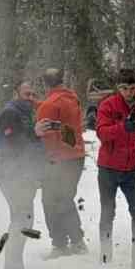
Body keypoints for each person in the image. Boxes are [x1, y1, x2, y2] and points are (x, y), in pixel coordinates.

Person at [94, 68, 135, 269]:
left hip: (131, 170)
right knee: (107, 211)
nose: (128, 92)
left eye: (131, 88)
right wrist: (123, 127)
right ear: (118, 88)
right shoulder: (108, 105)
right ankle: (105, 254)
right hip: (108, 169)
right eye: (123, 88)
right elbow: (102, 134)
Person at [0, 79, 45, 269]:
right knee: (22, 218)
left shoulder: (26, 114)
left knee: (22, 218)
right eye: (27, 94)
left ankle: (14, 263)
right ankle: (13, 265)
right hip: (12, 174)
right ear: (16, 94)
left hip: (25, 174)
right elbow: (13, 144)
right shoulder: (10, 114)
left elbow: (31, 146)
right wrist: (35, 132)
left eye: (33, 95)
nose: (31, 98)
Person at [34, 68, 88, 257]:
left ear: (44, 84)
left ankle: (60, 244)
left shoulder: (49, 106)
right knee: (65, 200)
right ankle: (77, 241)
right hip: (77, 156)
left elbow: (48, 138)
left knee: (50, 202)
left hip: (59, 160)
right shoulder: (72, 98)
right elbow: (70, 128)